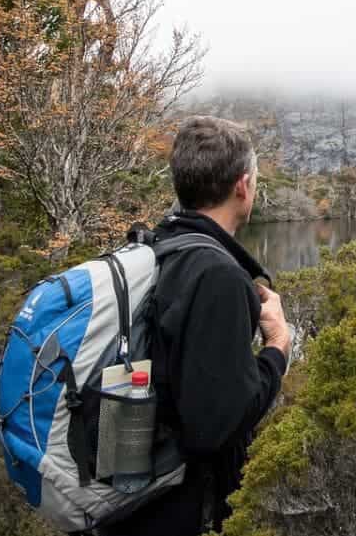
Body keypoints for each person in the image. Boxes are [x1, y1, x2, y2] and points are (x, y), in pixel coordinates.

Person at [106, 116, 291, 536]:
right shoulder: (216, 274)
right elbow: (218, 426)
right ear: (243, 186)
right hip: (177, 509)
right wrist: (277, 345)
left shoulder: (157, 248)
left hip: (134, 500)